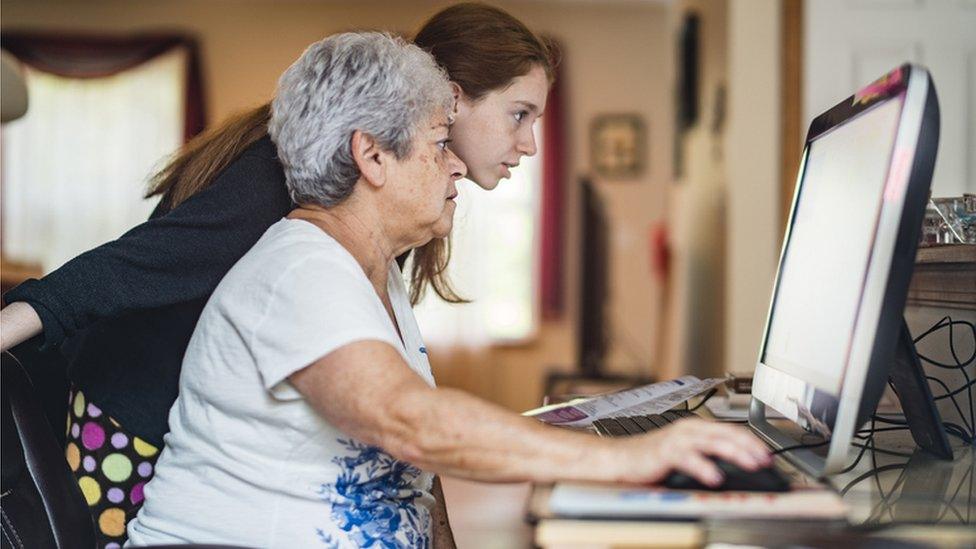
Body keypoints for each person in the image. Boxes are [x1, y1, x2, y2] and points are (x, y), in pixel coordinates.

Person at [126, 32, 771, 548]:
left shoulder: (372, 277)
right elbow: (410, 421)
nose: (457, 160)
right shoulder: (301, 270)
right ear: (371, 156)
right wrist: (634, 460)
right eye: (439, 143)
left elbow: (413, 479)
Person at [1, 4, 551, 546]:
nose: (528, 143)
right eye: (519, 114)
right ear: (453, 98)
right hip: (133, 416)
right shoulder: (291, 179)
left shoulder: (400, 196)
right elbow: (127, 266)